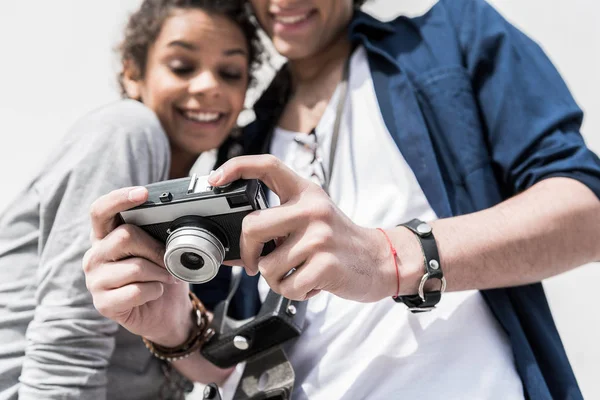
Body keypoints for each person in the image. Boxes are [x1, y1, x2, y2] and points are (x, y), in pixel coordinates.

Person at [83, 0, 600, 399]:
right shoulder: (241, 146)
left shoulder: (454, 38)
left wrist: (386, 257)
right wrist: (174, 330)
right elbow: (226, 362)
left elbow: (588, 213)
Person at [0, 0, 262, 398]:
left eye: (229, 73)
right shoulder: (129, 131)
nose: (209, 85)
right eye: (182, 66)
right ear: (133, 73)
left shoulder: (183, 199)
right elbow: (69, 332)